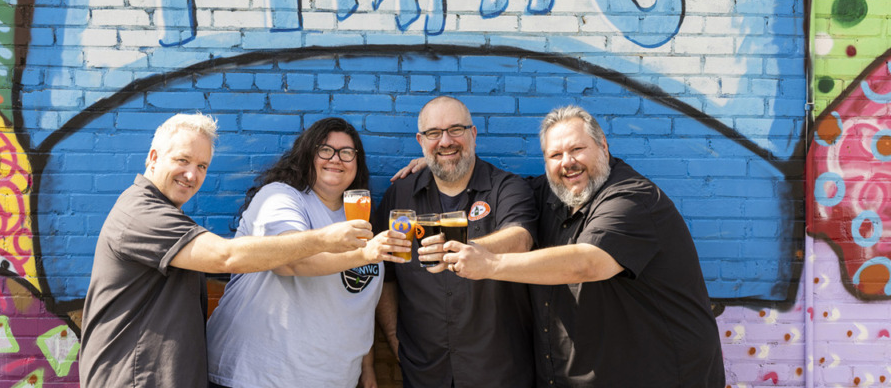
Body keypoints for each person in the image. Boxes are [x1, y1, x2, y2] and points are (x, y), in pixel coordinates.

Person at [79, 113, 373, 388]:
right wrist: (325, 240)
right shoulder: (142, 214)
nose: (191, 175)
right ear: (154, 158)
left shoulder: (168, 216)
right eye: (182, 160)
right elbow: (226, 257)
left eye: (202, 166)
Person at [444, 104, 726, 387]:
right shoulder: (549, 192)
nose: (567, 162)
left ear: (603, 146)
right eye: (555, 155)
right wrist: (445, 169)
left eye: (577, 149)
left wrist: (490, 264)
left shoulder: (632, 198)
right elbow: (496, 187)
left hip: (660, 375)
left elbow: (588, 263)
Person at [206, 117, 409, 388]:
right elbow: (290, 262)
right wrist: (365, 254)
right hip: (258, 377)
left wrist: (367, 366)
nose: (336, 159)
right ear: (306, 155)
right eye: (325, 150)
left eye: (347, 153)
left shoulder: (358, 217)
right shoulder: (280, 198)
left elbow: (353, 303)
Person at [375, 96, 537, 388]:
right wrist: (394, 341)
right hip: (424, 371)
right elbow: (385, 276)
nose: (445, 141)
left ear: (473, 134)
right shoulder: (399, 197)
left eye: (456, 130)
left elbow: (520, 238)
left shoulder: (507, 188)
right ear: (421, 141)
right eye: (434, 133)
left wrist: (471, 250)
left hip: (498, 370)